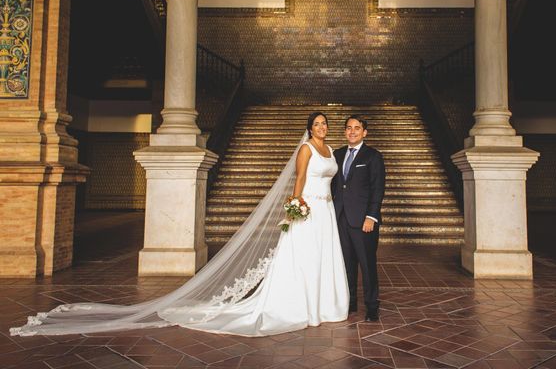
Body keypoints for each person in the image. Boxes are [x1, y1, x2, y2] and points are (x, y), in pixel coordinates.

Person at [11, 113, 348, 337]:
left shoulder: (330, 148)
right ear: (309, 127)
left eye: (324, 123)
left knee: (322, 257)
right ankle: (297, 305)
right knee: (301, 258)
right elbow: (300, 178)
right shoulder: (305, 149)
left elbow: (332, 178)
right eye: (317, 123)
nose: (322, 127)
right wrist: (296, 204)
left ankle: (324, 304)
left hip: (327, 212)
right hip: (307, 209)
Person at [331, 115, 385, 322]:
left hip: (364, 220)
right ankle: (350, 302)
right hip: (341, 217)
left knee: (367, 263)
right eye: (348, 128)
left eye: (357, 128)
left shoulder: (373, 156)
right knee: (346, 263)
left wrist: (371, 216)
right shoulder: (337, 154)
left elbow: (377, 189)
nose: (352, 131)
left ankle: (372, 306)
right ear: (345, 131)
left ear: (364, 132)